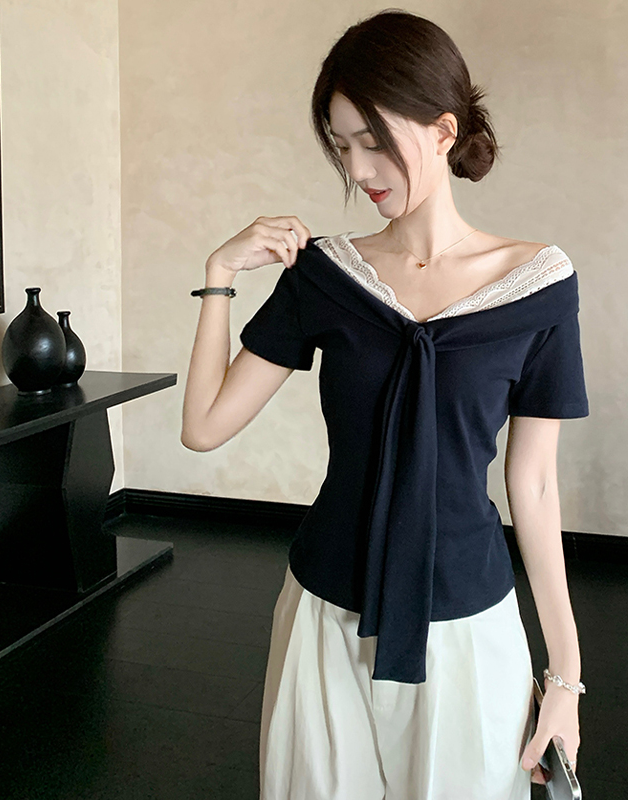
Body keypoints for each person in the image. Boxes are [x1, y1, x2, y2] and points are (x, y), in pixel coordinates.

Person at [181, 9, 588, 800]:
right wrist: (219, 275)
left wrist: (565, 679)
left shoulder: (539, 284)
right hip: (324, 611)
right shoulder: (326, 275)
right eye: (341, 146)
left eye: (372, 140)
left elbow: (534, 484)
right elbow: (203, 428)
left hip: (467, 621)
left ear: (443, 130)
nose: (358, 167)